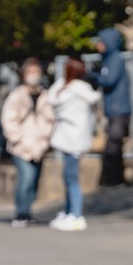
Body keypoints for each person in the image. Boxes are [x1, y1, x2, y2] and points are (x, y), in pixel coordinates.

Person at [0, 57, 55, 227]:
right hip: (21, 146)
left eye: (37, 72)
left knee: (35, 180)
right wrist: (17, 138)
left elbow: (51, 120)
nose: (34, 76)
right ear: (24, 74)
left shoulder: (45, 96)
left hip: (40, 145)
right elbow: (8, 119)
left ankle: (28, 210)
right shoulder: (17, 95)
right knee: (26, 178)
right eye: (31, 72)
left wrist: (46, 139)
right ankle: (20, 212)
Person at [48, 58, 100, 232]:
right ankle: (70, 211)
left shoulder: (66, 90)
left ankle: (76, 215)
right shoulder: (85, 91)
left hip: (70, 139)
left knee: (72, 179)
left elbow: (52, 100)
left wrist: (62, 82)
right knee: (69, 177)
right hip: (78, 138)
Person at [91, 28, 131, 187]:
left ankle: (114, 181)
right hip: (113, 109)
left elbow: (109, 80)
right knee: (114, 146)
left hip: (118, 109)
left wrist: (95, 77)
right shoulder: (108, 59)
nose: (98, 45)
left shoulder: (115, 59)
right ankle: (116, 180)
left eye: (100, 42)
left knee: (113, 146)